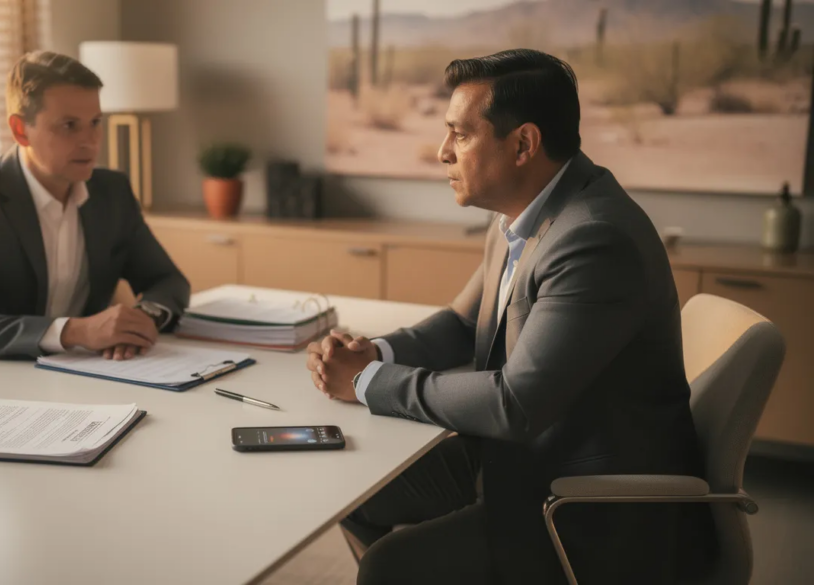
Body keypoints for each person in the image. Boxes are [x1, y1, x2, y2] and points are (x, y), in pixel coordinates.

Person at [306, 49, 715, 584]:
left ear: (523, 144)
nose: (441, 152)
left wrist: (367, 382)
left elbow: (515, 402)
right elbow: (461, 324)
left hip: (590, 504)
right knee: (357, 492)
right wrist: (375, 351)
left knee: (391, 568)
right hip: (521, 459)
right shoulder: (521, 216)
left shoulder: (594, 238)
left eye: (460, 135)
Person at [0, 51, 189, 374]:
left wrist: (142, 319)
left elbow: (168, 279)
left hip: (56, 377)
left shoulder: (112, 193)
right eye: (69, 126)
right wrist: (77, 331)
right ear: (21, 130)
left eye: (95, 123)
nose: (90, 142)